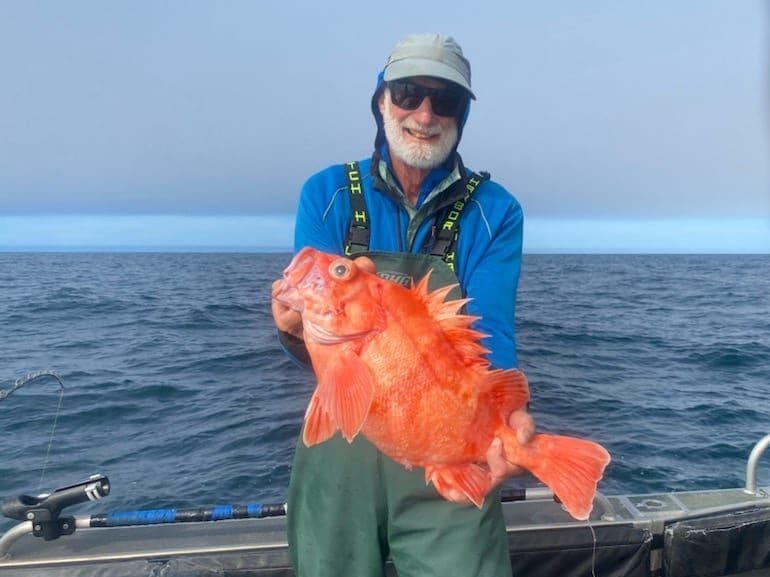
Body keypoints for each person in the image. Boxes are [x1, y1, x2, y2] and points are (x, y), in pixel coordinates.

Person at [271, 33, 534, 577]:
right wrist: (294, 328)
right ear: (381, 100)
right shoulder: (327, 193)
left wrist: (508, 422)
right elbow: (313, 338)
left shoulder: (495, 211)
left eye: (447, 101)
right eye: (409, 92)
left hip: (447, 447)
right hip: (343, 439)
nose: (425, 113)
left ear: (462, 115)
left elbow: (490, 333)